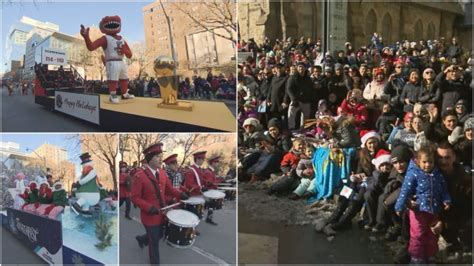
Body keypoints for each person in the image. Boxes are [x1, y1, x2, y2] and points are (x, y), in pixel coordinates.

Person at [131, 143, 189, 264]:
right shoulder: (139, 176)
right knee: (154, 242)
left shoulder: (162, 173)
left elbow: (170, 189)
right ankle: (154, 262)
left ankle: (141, 239)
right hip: (149, 216)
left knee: (159, 235)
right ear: (150, 158)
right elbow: (135, 198)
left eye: (160, 155)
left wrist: (180, 194)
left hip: (162, 213)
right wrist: (148, 207)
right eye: (157, 156)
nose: (160, 158)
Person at [395, 145, 451, 264]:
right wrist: (399, 206)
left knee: (432, 235)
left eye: (430, 162)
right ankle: (417, 258)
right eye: (424, 162)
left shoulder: (437, 174)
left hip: (433, 210)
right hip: (418, 211)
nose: (427, 165)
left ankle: (430, 256)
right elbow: (405, 190)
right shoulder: (414, 174)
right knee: (418, 236)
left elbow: (443, 189)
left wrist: (446, 200)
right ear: (418, 162)